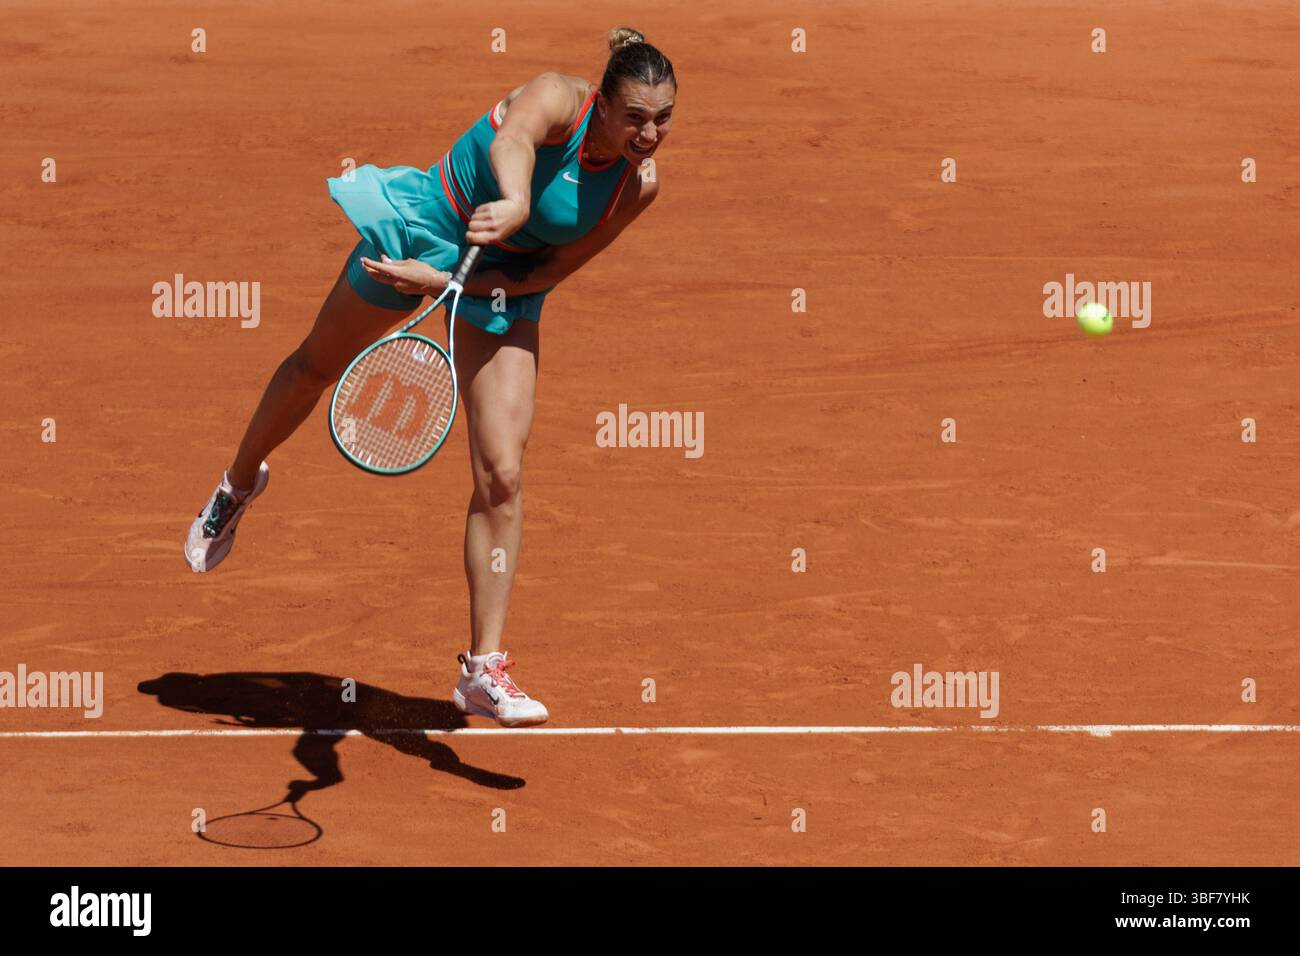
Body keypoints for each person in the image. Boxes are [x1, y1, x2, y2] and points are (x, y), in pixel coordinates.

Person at [183, 28, 677, 727]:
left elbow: (547, 271)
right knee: (314, 366)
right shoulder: (556, 99)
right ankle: (238, 481)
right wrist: (515, 201)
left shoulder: (637, 186)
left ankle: (483, 670)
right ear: (601, 103)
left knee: (502, 475)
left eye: (663, 119)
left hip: (500, 290)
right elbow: (512, 144)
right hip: (423, 228)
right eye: (635, 117)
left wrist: (442, 283)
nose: (649, 133)